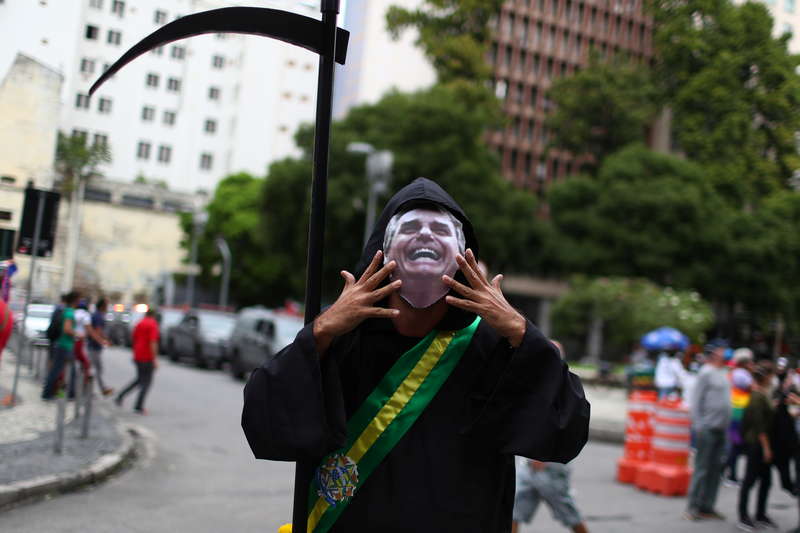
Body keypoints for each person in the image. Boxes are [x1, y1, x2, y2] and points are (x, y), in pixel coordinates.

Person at [242, 178, 590, 533]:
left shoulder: (494, 346)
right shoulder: (342, 337)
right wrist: (320, 332)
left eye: (440, 229)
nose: (425, 236)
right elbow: (263, 423)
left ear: (463, 255)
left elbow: (566, 432)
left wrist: (519, 331)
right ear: (383, 251)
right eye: (410, 227)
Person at [511, 340, 589, 533]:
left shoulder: (559, 386)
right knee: (514, 511)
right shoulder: (538, 381)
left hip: (548, 463)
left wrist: (540, 455)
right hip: (530, 462)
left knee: (567, 512)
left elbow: (557, 424)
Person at [685, 342, 731, 521]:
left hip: (721, 428)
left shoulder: (723, 372)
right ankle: (692, 507)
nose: (724, 353)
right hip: (707, 428)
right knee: (702, 469)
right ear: (714, 353)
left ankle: (707, 506)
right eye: (721, 350)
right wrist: (698, 425)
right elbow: (696, 401)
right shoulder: (706, 372)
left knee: (715, 470)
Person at [738, 364, 777, 531]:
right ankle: (743, 515)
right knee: (750, 480)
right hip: (757, 443)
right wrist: (767, 448)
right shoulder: (757, 396)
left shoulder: (763, 394)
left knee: (766, 481)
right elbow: (760, 426)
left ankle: (761, 513)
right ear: (767, 377)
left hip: (760, 442)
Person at [115, 308, 159, 414]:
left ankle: (121, 396)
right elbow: (153, 342)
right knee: (146, 382)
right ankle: (138, 406)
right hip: (147, 356)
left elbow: (133, 338)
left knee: (139, 379)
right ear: (153, 315)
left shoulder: (139, 323)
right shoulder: (153, 324)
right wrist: (154, 359)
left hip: (137, 354)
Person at [42, 291, 80, 400]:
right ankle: (53, 394)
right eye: (79, 299)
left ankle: (58, 393)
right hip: (64, 345)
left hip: (63, 345)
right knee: (62, 371)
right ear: (75, 300)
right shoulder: (69, 312)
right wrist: (77, 333)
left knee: (62, 371)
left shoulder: (66, 311)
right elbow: (67, 329)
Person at [724, 348, 754, 486]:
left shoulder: (733, 373)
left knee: (736, 444)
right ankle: (730, 474)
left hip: (735, 411)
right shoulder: (742, 374)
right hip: (739, 413)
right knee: (736, 445)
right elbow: (753, 388)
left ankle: (727, 472)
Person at [87, 298, 113, 396]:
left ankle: (95, 389)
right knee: (95, 369)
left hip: (94, 346)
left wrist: (105, 340)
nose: (107, 307)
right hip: (94, 347)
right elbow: (98, 331)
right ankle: (94, 389)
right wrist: (103, 341)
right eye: (106, 305)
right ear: (102, 306)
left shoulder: (97, 315)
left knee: (94, 368)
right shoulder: (98, 316)